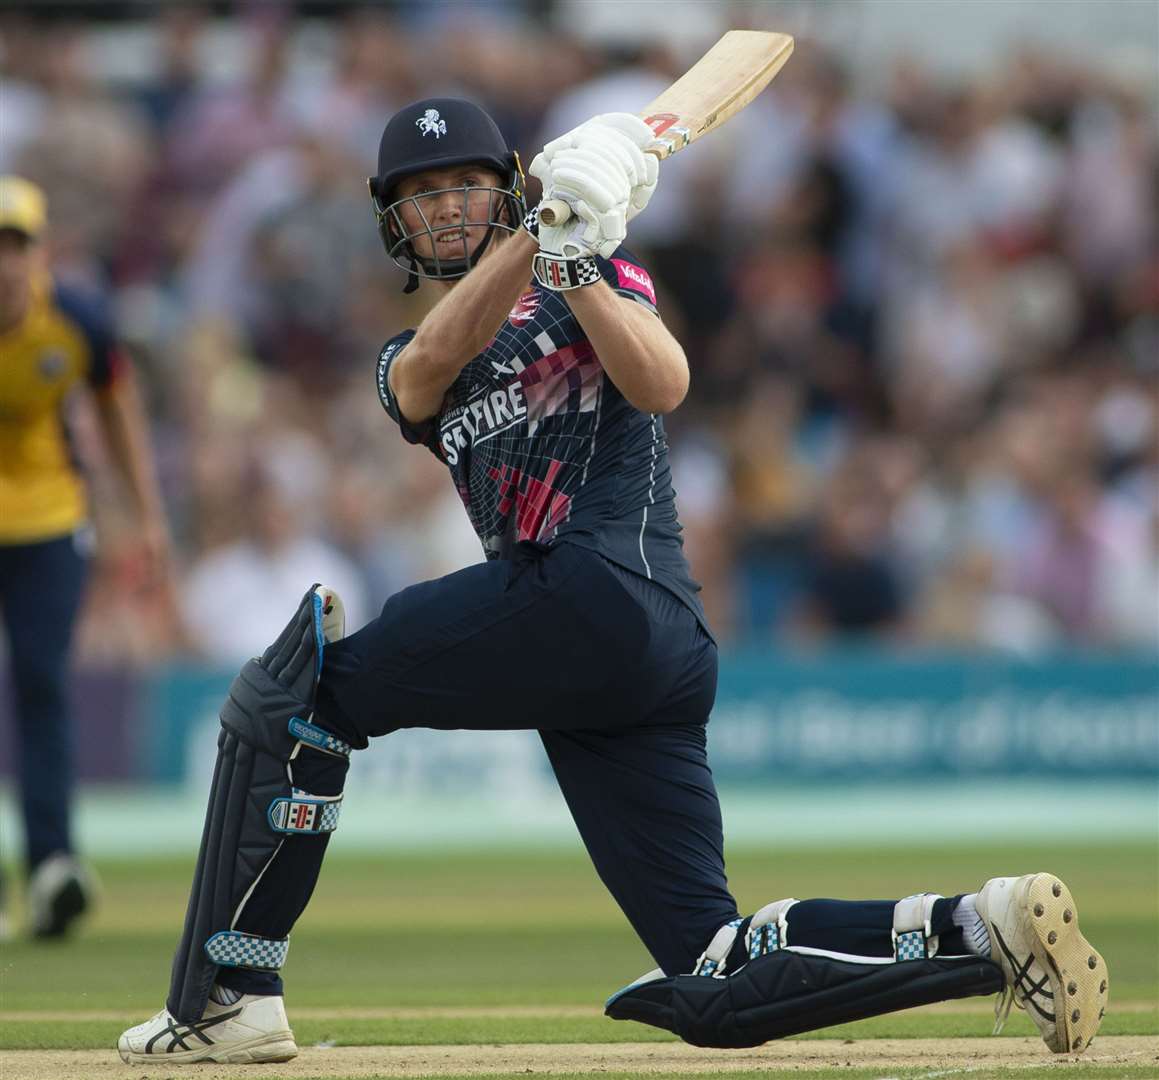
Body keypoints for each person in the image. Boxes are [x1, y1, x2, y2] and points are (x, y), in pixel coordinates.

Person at [117, 100, 1108, 1064]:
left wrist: (578, 257)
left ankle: (230, 997)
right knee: (712, 977)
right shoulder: (405, 356)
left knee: (303, 698)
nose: (451, 207)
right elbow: (432, 365)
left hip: (605, 593)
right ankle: (985, 932)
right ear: (395, 224)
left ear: (502, 191)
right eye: (426, 196)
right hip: (608, 655)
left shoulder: (592, 276)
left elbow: (664, 383)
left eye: (469, 184)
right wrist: (545, 223)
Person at [0, 175, 170, 938]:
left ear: (38, 253)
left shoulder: (75, 319)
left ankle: (52, 867)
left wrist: (147, 514)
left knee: (43, 683)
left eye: (16, 245)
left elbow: (117, 402)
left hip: (46, 518)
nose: (4, 262)